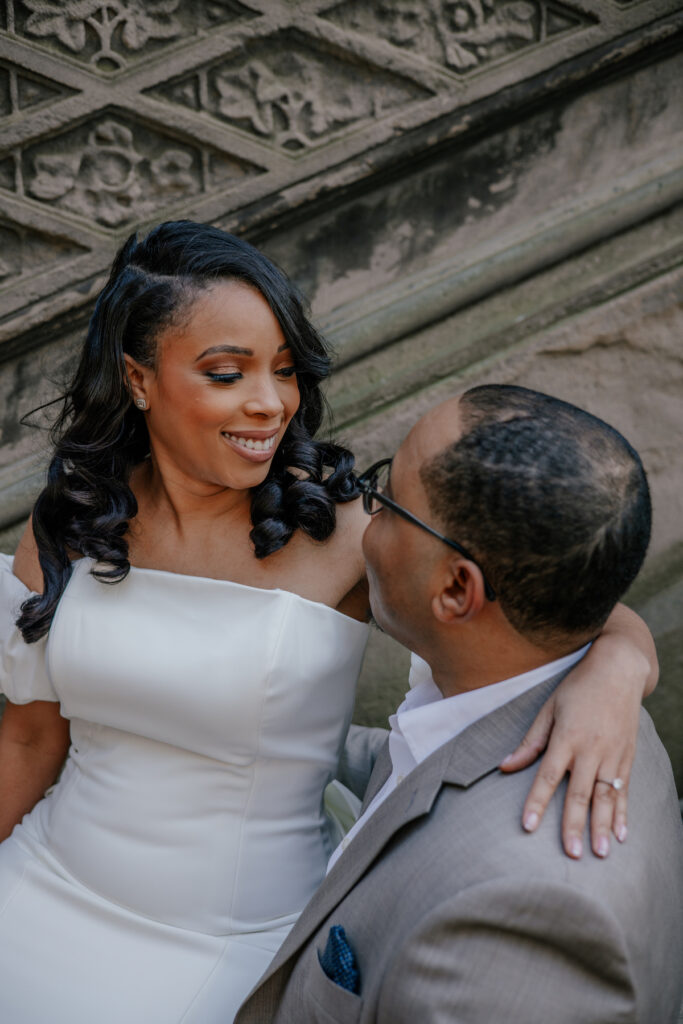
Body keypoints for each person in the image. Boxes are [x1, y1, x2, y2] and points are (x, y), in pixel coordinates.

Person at [0, 223, 658, 1023]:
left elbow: (552, 594)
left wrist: (618, 667)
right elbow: (29, 739)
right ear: (139, 379)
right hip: (45, 884)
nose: (270, 402)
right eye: (225, 372)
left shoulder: (341, 528)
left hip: (234, 945)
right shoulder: (72, 521)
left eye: (284, 369)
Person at [236, 385, 683, 1024]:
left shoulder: (516, 926)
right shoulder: (569, 692)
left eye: (387, 501)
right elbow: (418, 776)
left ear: (455, 589)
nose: (366, 517)